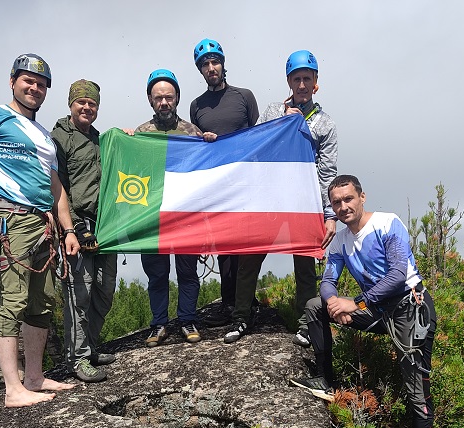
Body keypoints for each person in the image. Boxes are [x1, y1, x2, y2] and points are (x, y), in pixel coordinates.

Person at [290, 175, 437, 428]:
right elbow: (329, 279)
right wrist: (333, 302)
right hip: (377, 310)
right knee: (316, 306)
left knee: (416, 390)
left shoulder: (387, 224)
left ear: (362, 197)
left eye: (348, 199)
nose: (343, 207)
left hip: (410, 309)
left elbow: (399, 274)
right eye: (337, 202)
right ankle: (325, 381)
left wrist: (355, 303)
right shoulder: (341, 241)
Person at [0, 53, 78, 408]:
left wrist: (68, 229)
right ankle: (13, 390)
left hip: (44, 223)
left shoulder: (44, 137)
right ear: (12, 81)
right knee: (13, 300)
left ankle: (35, 377)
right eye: (29, 81)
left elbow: (56, 186)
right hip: (10, 219)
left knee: (41, 304)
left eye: (42, 84)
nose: (35, 88)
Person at [223, 49, 338, 345]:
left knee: (304, 261)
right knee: (250, 257)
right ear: (289, 80)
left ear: (315, 83)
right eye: (296, 78)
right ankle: (241, 317)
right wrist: (282, 124)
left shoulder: (325, 124)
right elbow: (257, 148)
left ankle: (305, 323)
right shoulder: (274, 111)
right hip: (269, 198)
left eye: (307, 79)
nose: (301, 84)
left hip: (303, 202)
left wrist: (329, 215)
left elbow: (327, 171)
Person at [189, 38, 259, 328]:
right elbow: (192, 142)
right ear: (200, 70)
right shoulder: (197, 106)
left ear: (223, 63)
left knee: (246, 243)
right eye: (205, 64)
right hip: (215, 184)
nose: (211, 67)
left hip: (244, 181)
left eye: (214, 61)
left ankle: (247, 300)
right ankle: (229, 302)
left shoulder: (244, 96)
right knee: (223, 245)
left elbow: (259, 136)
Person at [51, 79, 116, 383]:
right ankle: (77, 359)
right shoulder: (59, 139)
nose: (87, 108)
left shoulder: (100, 140)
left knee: (104, 290)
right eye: (82, 102)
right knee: (80, 293)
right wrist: (72, 228)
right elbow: (57, 187)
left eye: (92, 104)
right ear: (71, 104)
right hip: (76, 227)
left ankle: (89, 347)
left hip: (104, 228)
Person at [134, 69, 205, 347]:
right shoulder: (140, 133)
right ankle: (159, 324)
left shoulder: (192, 131)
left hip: (186, 214)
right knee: (157, 273)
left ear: (177, 99)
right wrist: (124, 140)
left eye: (169, 97)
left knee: (187, 271)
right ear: (151, 101)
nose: (164, 102)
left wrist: (209, 143)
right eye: (158, 98)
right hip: (152, 215)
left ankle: (187, 319)